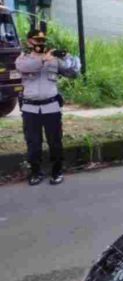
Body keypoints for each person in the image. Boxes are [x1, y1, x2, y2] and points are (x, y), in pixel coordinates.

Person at [16, 29, 80, 186]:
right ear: (29, 42)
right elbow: (28, 67)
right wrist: (45, 59)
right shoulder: (23, 59)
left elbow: (73, 73)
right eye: (36, 40)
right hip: (30, 109)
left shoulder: (54, 60)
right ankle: (35, 172)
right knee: (33, 143)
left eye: (42, 40)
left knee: (55, 142)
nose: (40, 43)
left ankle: (57, 172)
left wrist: (68, 57)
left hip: (51, 107)